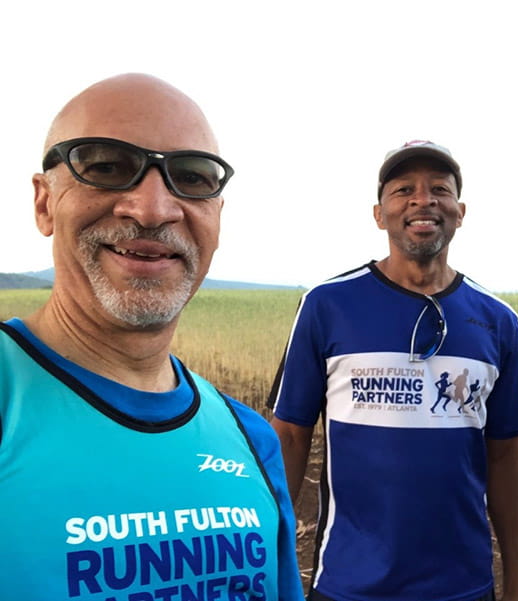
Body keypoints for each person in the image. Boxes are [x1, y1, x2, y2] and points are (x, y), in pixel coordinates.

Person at [0, 73, 304, 601]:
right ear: (44, 202)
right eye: (106, 166)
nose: (153, 209)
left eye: (192, 177)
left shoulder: (250, 440)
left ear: (216, 218)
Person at [268, 140, 518, 601]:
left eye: (439, 189)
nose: (423, 200)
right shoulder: (327, 305)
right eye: (403, 189)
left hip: (465, 587)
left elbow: (506, 454)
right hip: (349, 585)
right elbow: (289, 435)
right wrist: (274, 562)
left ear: (460, 211)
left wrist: (517, 582)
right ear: (378, 213)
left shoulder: (498, 320)